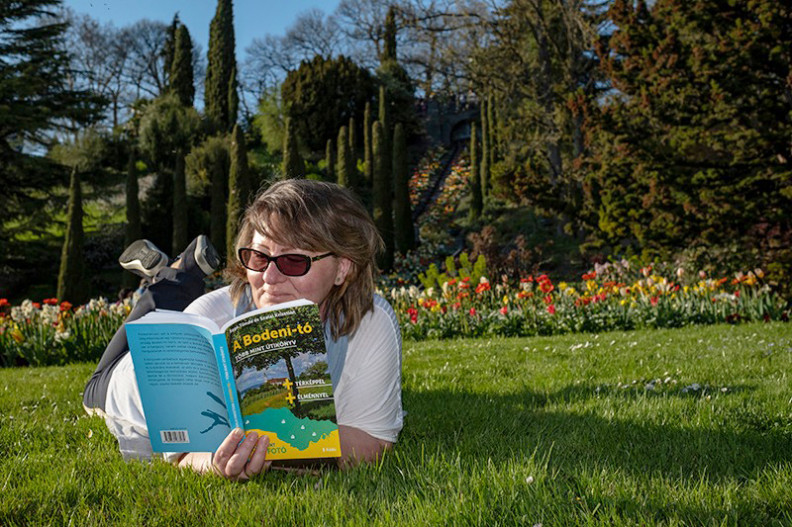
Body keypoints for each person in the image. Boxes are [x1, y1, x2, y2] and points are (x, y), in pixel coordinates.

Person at [83, 179, 404, 480]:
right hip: (127, 382)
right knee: (102, 380)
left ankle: (177, 275)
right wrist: (215, 462)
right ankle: (170, 278)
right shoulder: (211, 316)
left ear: (343, 268)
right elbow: (183, 453)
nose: (269, 278)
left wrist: (274, 448)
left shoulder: (370, 319)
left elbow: (374, 442)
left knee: (174, 303)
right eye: (258, 257)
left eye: (294, 261)